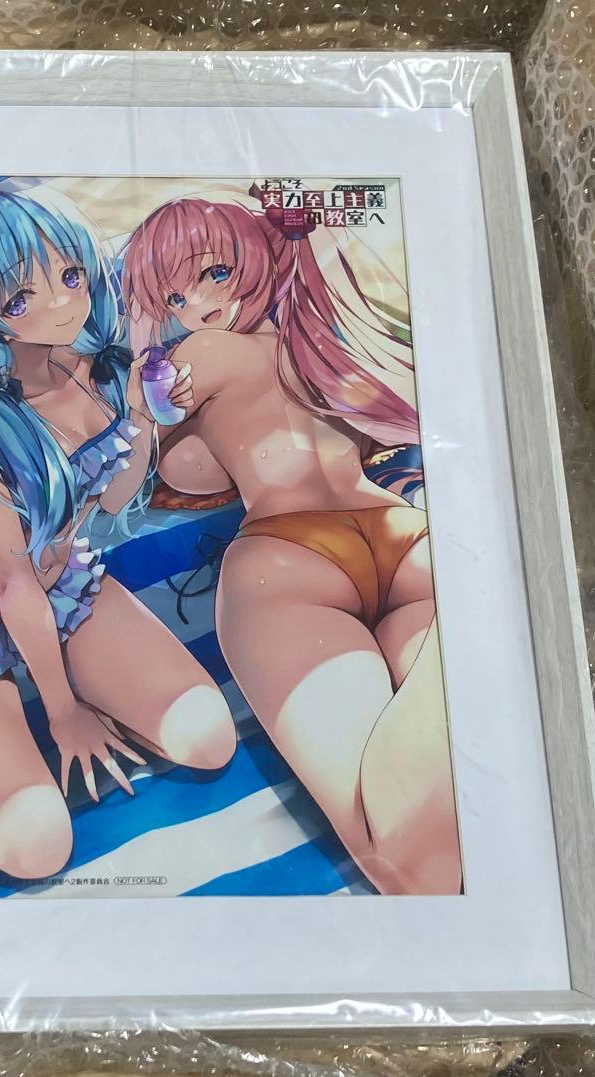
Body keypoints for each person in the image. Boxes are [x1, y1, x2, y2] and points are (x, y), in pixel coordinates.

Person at [0, 189, 235, 881]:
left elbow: (113, 499)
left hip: (59, 586)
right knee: (38, 844)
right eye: (21, 298)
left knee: (207, 735)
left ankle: (32, 702)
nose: (64, 303)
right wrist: (63, 713)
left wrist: (141, 417)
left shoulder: (92, 369)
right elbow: (13, 583)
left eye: (70, 275)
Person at [122, 196, 461, 895]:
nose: (199, 305)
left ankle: (469, 626)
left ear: (254, 256)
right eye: (176, 297)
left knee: (405, 865)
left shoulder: (200, 354)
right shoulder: (319, 346)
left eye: (214, 273)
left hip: (289, 555)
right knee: (442, 828)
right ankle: (470, 620)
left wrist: (138, 398)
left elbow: (146, 476)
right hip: (404, 534)